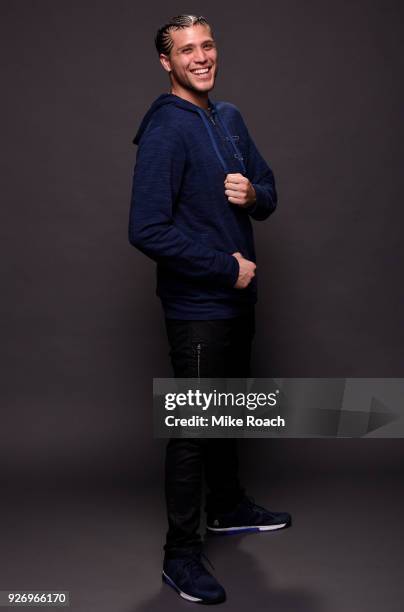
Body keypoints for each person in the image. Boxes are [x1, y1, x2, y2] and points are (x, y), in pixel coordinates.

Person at [129, 14, 291, 605]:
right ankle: (179, 555)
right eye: (186, 50)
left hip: (238, 299)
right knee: (194, 428)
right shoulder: (165, 130)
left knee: (226, 409)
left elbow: (269, 191)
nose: (201, 57)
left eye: (207, 45)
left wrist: (253, 195)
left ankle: (226, 508)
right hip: (199, 303)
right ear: (167, 63)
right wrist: (227, 268)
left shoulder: (229, 118)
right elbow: (144, 227)